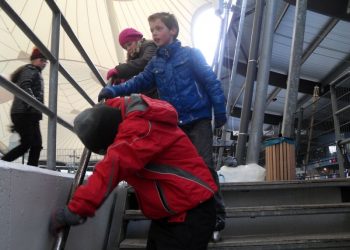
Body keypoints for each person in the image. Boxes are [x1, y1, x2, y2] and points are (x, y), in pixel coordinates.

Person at [98, 12, 227, 237]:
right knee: (180, 169)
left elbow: (210, 81)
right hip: (175, 123)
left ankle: (216, 216)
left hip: (198, 119)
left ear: (173, 31)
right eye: (152, 30)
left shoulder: (191, 55)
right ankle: (188, 212)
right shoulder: (155, 62)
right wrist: (114, 90)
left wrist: (220, 110)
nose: (154, 33)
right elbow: (139, 81)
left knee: (204, 166)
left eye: (159, 29)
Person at [49, 94, 218, 250]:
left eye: (107, 149)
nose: (108, 152)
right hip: (171, 215)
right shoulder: (126, 114)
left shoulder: (140, 129)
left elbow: (111, 167)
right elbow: (111, 107)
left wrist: (75, 209)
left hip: (190, 214)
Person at [1, 47, 47, 166]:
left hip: (29, 113)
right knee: (29, 143)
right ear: (34, 60)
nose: (44, 63)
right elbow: (25, 85)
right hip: (26, 112)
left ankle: (32, 169)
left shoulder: (34, 71)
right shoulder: (30, 69)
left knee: (36, 144)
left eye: (46, 61)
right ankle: (4, 164)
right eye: (42, 60)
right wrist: (34, 102)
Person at [106, 27, 158, 98]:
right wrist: (123, 79)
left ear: (138, 40)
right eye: (126, 48)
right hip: (151, 92)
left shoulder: (149, 45)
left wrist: (119, 70)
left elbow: (145, 62)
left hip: (159, 92)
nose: (128, 49)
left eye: (129, 44)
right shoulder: (136, 56)